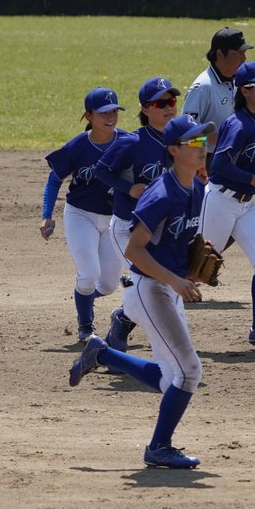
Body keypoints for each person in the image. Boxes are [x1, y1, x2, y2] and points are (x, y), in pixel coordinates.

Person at [68, 115, 217, 469]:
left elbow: (184, 237)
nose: (202, 148)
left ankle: (102, 355)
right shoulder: (160, 194)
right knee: (190, 372)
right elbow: (134, 251)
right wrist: (175, 280)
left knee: (173, 378)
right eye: (194, 143)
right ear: (174, 150)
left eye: (204, 142)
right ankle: (158, 448)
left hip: (168, 287)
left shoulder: (196, 188)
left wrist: (196, 261)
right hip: (150, 289)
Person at [201, 61, 255, 346]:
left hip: (245, 205)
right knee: (188, 270)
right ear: (246, 90)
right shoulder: (238, 124)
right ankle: (125, 319)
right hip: (219, 203)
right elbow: (219, 165)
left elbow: (247, 159)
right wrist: (253, 178)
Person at [94, 77, 182, 351]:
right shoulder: (132, 142)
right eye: (160, 103)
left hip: (161, 229)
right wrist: (128, 187)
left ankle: (122, 319)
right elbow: (100, 170)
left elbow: (202, 146)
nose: (168, 108)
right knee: (148, 282)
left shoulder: (181, 136)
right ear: (145, 109)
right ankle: (119, 328)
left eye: (171, 101)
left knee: (162, 286)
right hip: (127, 228)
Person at [40, 87, 130, 342]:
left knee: (110, 284)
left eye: (114, 111)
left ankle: (84, 295)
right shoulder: (77, 147)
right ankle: (85, 326)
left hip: (114, 219)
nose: (110, 117)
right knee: (89, 273)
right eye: (103, 113)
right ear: (89, 115)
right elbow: (54, 179)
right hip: (81, 215)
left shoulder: (127, 142)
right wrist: (47, 215)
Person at [181, 27, 253, 169]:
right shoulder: (203, 88)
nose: (244, 58)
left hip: (234, 157)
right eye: (238, 53)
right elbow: (186, 140)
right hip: (206, 163)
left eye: (244, 52)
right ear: (220, 54)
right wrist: (218, 139)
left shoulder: (238, 81)